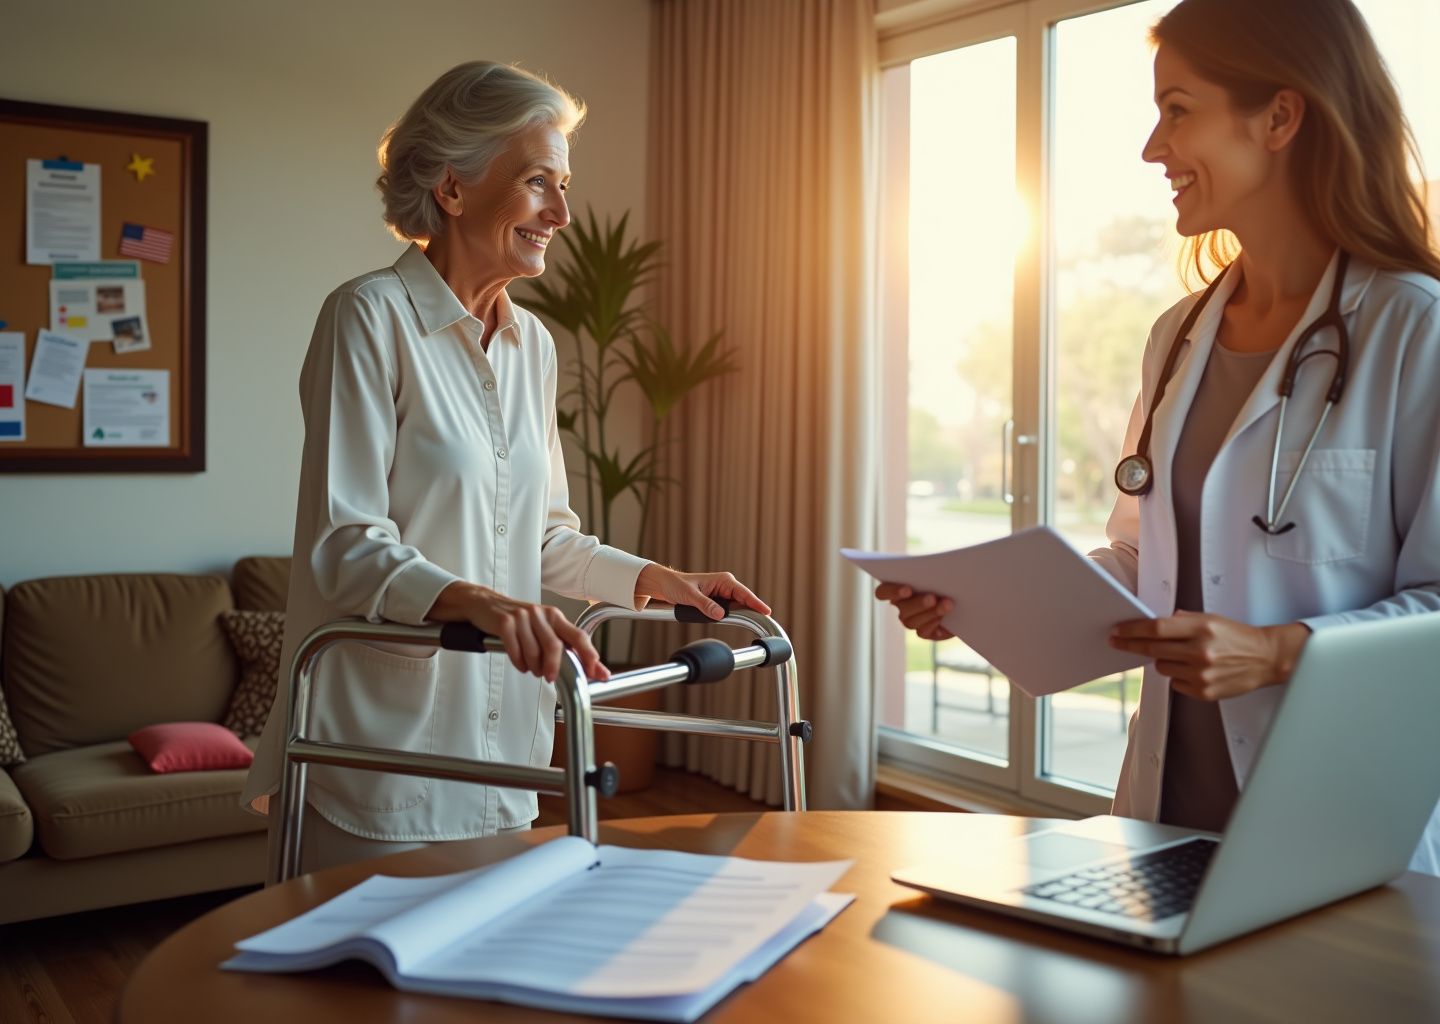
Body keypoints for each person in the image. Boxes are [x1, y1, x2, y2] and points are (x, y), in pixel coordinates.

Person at [879, 0, 1440, 874]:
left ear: (1280, 117)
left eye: (1177, 110)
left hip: (1342, 829)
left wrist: (1280, 653)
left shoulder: (1415, 330)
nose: (1152, 148)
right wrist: (986, 604)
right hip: (1165, 820)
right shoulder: (1177, 338)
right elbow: (1147, 565)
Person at [242, 61, 768, 872]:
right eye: (536, 182)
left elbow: (544, 535)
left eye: (563, 186)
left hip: (504, 752)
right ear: (452, 189)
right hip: (381, 756)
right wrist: (486, 604)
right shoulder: (367, 318)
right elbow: (345, 546)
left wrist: (655, 578)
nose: (561, 213)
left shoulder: (535, 347)